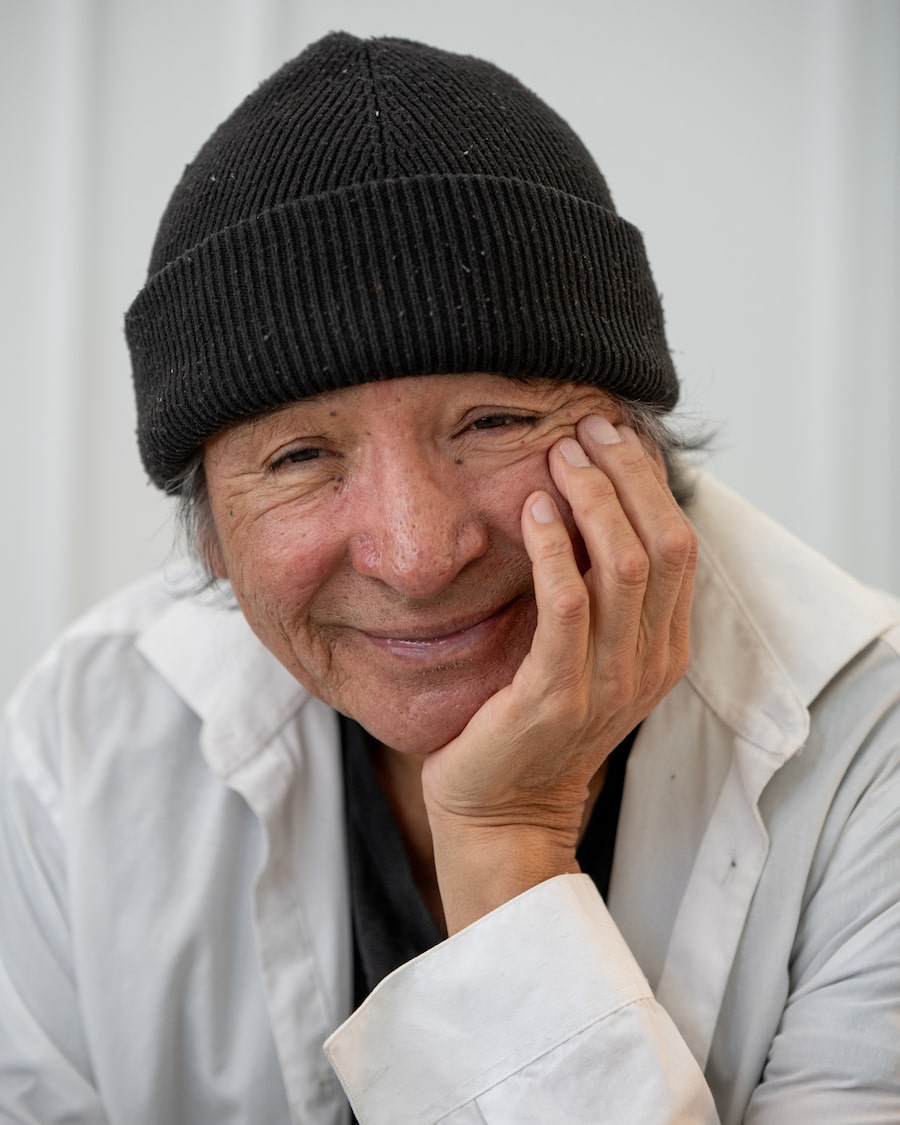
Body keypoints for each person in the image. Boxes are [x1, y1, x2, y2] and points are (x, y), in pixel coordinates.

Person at [1, 31, 898, 1125]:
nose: (420, 555)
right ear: (209, 539)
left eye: (494, 422)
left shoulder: (876, 748)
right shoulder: (81, 744)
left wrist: (509, 845)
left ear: (639, 444)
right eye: (300, 457)